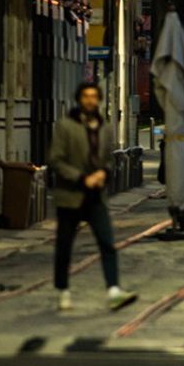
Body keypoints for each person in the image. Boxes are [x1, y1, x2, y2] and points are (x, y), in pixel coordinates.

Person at [48, 81, 138, 312]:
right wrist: (80, 178)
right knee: (65, 246)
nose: (90, 100)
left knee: (107, 242)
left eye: (93, 97)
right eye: (86, 96)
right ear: (79, 99)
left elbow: (108, 158)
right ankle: (63, 291)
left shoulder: (105, 128)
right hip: (71, 196)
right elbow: (55, 160)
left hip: (96, 196)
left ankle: (113, 290)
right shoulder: (65, 126)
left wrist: (103, 173)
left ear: (98, 100)